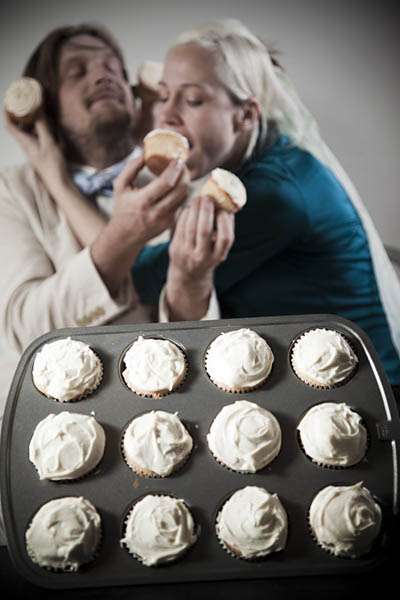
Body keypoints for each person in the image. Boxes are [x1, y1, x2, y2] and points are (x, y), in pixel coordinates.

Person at [128, 18, 400, 394]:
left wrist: (61, 183)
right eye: (163, 96)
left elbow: (140, 280)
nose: (166, 115)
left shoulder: (269, 194)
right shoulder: (270, 161)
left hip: (363, 392)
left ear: (246, 115)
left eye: (192, 100)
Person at [0, 23, 234, 419]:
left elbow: (196, 347)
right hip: (48, 420)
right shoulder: (12, 190)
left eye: (112, 67)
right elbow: (25, 329)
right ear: (46, 106)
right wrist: (123, 235)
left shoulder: (184, 182)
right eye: (78, 71)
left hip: (167, 415)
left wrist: (192, 281)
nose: (102, 74)